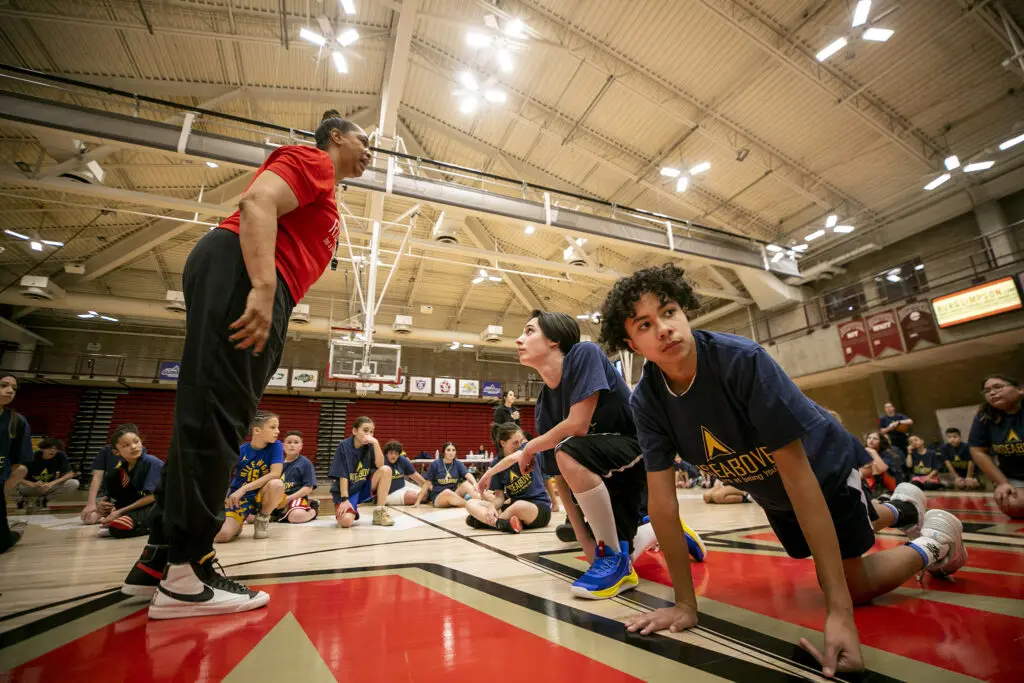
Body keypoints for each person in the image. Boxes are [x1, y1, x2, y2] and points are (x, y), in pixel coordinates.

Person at [598, 265, 967, 677]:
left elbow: (800, 479)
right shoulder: (647, 401)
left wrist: (839, 611)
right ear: (632, 343)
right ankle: (901, 510)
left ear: (685, 312)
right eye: (646, 324)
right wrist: (684, 604)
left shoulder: (742, 361)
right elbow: (663, 506)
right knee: (817, 543)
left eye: (668, 312)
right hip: (770, 490)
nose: (663, 328)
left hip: (821, 467)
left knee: (851, 585)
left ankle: (936, 540)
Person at [119, 111, 371, 618]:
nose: (372, 152)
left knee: (205, 415)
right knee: (218, 418)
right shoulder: (313, 160)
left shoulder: (326, 191)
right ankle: (190, 571)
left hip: (240, 272)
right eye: (366, 141)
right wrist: (262, 286)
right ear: (336, 137)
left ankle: (160, 558)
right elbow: (257, 201)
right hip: (246, 272)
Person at [515, 309, 653, 600]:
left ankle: (615, 559)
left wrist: (529, 446)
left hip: (641, 453)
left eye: (529, 331)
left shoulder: (584, 354)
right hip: (601, 471)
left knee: (569, 449)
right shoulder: (544, 403)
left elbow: (577, 426)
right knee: (614, 544)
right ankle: (659, 533)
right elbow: (560, 476)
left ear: (554, 340)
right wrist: (584, 539)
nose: (518, 339)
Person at [214, 411, 285, 543]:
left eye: (278, 427)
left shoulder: (276, 446)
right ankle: (238, 524)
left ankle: (262, 518)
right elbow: (224, 475)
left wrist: (244, 488)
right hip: (240, 499)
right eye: (273, 427)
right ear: (257, 430)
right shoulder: (241, 450)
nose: (278, 431)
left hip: (262, 494)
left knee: (277, 484)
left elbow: (275, 473)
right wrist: (226, 496)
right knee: (221, 536)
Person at [470, 422, 552, 533]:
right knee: (471, 503)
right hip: (512, 510)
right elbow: (499, 497)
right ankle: (504, 523)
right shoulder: (496, 463)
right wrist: (492, 506)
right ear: (503, 443)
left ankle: (490, 522)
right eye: (515, 443)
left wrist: (487, 474)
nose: (519, 445)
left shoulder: (525, 448)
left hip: (538, 509)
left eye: (521, 441)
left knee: (518, 505)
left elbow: (513, 458)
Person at [967, 374, 1024, 518]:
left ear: (1020, 389)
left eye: (998, 387)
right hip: (1014, 477)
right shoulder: (984, 416)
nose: (992, 393)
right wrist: (1002, 483)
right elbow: (977, 450)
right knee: (1012, 503)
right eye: (987, 391)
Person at [329, 416, 394, 527]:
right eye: (365, 430)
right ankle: (352, 509)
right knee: (346, 522)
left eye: (372, 432)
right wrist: (345, 500)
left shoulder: (371, 445)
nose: (369, 434)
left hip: (363, 486)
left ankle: (380, 512)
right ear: (354, 431)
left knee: (386, 470)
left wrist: (376, 443)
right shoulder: (344, 446)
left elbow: (380, 465)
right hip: (347, 491)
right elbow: (342, 474)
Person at [100, 426, 164, 539]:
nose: (134, 447)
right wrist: (105, 506)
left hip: (160, 505)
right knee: (112, 476)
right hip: (140, 508)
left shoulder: (151, 462)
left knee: (117, 528)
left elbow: (153, 496)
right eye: (126, 445)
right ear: (116, 452)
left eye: (136, 442)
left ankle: (156, 527)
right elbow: (115, 495)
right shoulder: (120, 469)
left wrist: (120, 512)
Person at [82, 425, 142, 525]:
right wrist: (91, 504)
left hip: (129, 495)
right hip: (109, 494)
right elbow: (97, 477)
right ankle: (113, 511)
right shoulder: (106, 451)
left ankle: (119, 512)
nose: (132, 446)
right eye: (125, 444)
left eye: (134, 441)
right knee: (89, 518)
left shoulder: (139, 452)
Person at [1, 375, 31, 553]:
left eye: (13, 388)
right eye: (3, 385)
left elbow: (19, 461)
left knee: (2, 544)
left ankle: (14, 531)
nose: (10, 390)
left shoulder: (16, 421)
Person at [16, 438, 79, 509]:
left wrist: (52, 483)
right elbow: (13, 476)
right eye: (49, 448)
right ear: (42, 449)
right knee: (6, 481)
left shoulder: (60, 456)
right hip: (29, 487)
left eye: (56, 449)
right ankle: (21, 500)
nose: (53, 451)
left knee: (74, 483)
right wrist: (32, 484)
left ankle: (44, 500)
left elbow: (70, 473)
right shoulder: (30, 457)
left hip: (48, 487)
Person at [415, 442, 481, 508]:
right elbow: (426, 484)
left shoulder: (458, 464)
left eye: (453, 450)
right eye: (448, 450)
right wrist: (418, 502)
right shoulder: (435, 464)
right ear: (444, 452)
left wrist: (475, 483)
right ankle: (472, 506)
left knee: (467, 484)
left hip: (454, 493)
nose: (451, 452)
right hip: (439, 497)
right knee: (447, 492)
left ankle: (481, 501)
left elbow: (468, 474)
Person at [273, 430, 318, 524]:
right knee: (250, 517)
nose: (292, 445)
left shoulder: (305, 463)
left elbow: (308, 488)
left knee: (295, 517)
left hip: (295, 497)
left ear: (301, 446)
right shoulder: (276, 462)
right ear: (283, 445)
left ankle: (314, 510)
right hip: (276, 498)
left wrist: (288, 499)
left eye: (296, 442)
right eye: (289, 442)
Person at [382, 440, 427, 506]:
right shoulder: (382, 462)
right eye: (391, 453)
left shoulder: (402, 460)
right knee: (421, 497)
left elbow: (418, 478)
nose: (393, 455)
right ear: (386, 453)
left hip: (402, 486)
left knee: (425, 492)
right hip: (389, 493)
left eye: (396, 453)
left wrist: (431, 488)